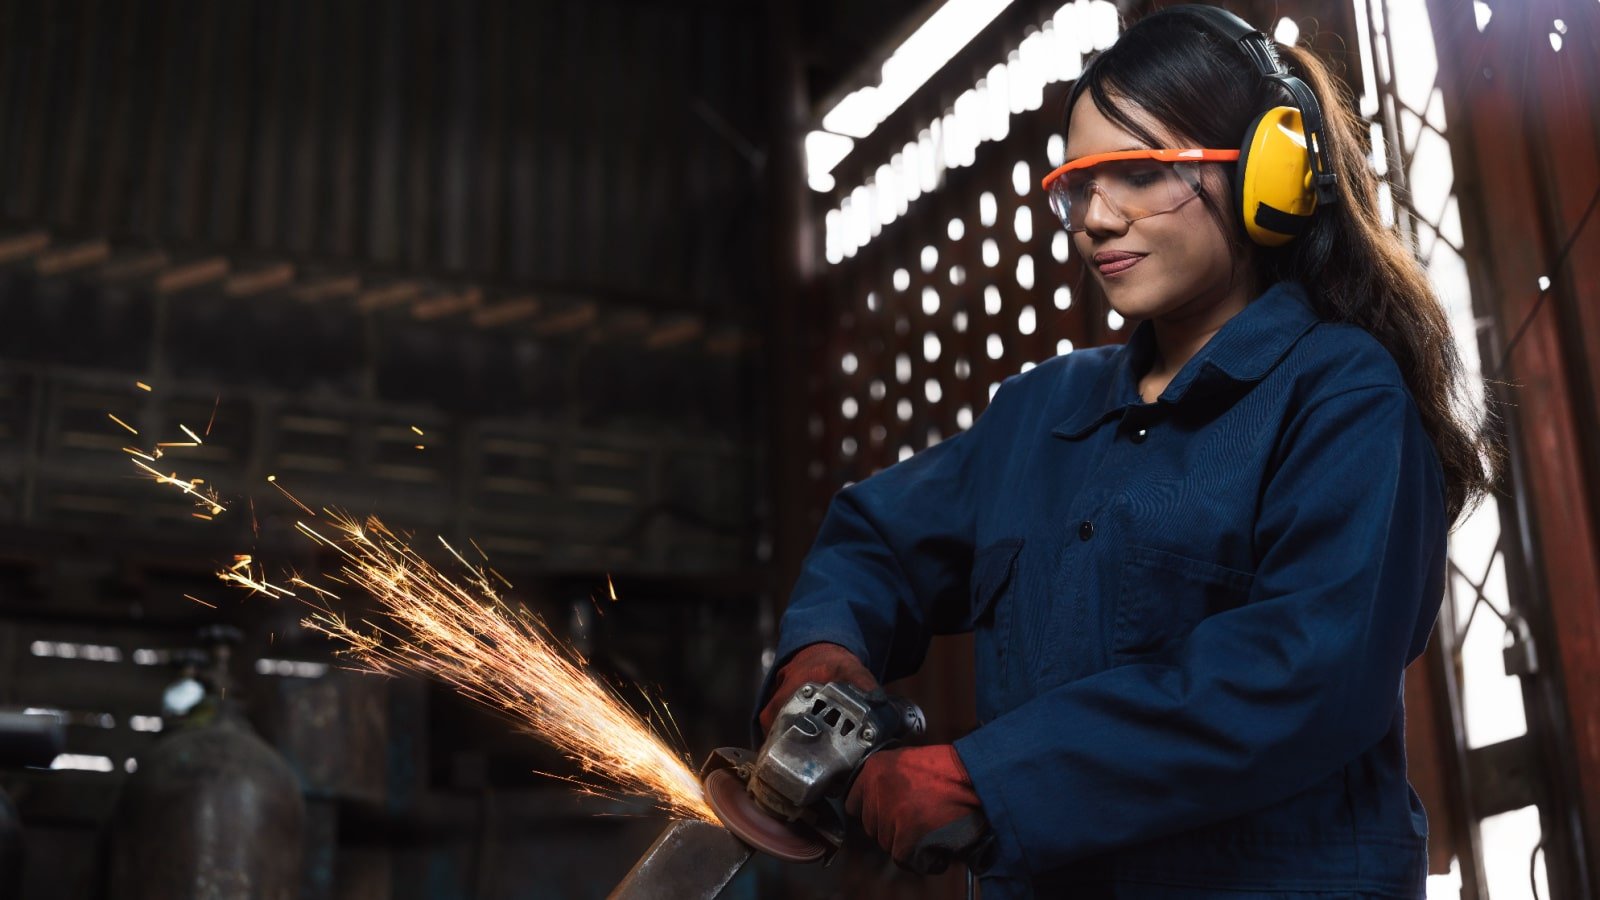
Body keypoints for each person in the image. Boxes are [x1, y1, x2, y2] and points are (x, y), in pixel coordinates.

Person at [754, 4, 1502, 898]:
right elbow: (875, 541)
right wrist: (823, 663)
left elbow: (1302, 673)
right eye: (1079, 185)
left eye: (1139, 173)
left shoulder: (1342, 397)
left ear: (1270, 179)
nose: (1095, 219)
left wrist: (986, 780)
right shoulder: (1042, 413)